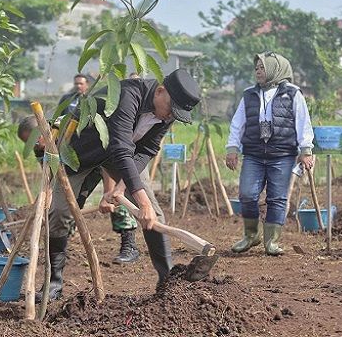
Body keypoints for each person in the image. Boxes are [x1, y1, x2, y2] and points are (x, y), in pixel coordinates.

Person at [35, 69, 200, 301]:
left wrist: (123, 187)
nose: (169, 117)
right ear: (161, 91)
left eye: (175, 115)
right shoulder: (128, 94)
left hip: (120, 159)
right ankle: (53, 282)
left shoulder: (166, 114)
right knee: (60, 212)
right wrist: (140, 201)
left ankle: (167, 282)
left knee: (156, 216)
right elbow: (121, 147)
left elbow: (147, 150)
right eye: (171, 110)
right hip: (81, 153)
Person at [225, 52, 314, 256]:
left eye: (262, 67)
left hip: (282, 154)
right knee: (246, 194)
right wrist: (232, 148)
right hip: (254, 154)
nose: (258, 71)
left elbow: (303, 122)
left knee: (278, 198)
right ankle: (251, 235)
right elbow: (237, 123)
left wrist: (306, 150)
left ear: (275, 69)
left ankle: (272, 241)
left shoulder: (292, 93)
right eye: (256, 68)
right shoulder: (249, 94)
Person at [19, 118, 142, 264]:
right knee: (67, 204)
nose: (36, 146)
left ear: (42, 132)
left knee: (116, 196)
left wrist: (108, 194)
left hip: (101, 159)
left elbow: (106, 162)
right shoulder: (40, 148)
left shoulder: (70, 131)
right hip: (76, 168)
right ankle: (62, 246)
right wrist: (45, 201)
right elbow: (49, 175)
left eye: (36, 141)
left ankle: (129, 244)